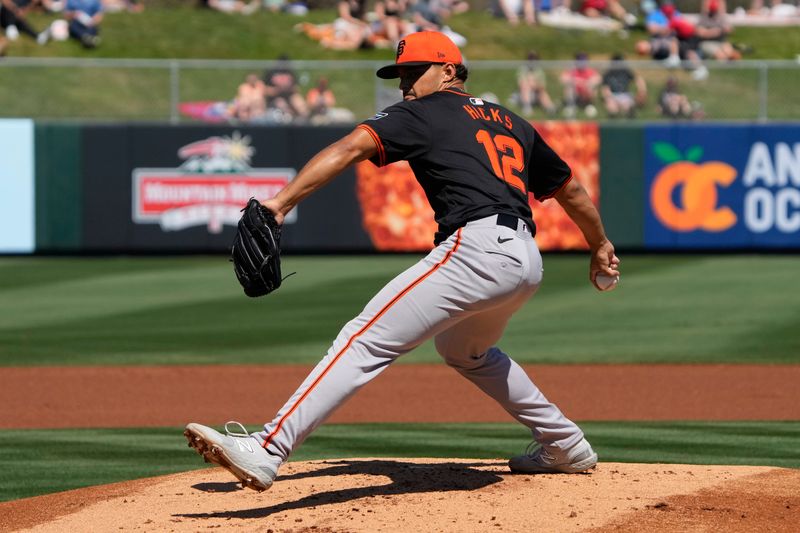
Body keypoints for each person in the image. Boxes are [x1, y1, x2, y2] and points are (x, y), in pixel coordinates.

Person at [185, 31, 620, 491]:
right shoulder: (511, 120)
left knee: (363, 340)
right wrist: (600, 244)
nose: (405, 85)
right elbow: (568, 189)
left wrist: (280, 204)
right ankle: (564, 442)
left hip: (476, 249)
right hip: (525, 259)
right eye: (400, 76)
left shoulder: (423, 112)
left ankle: (267, 448)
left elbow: (350, 148)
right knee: (464, 351)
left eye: (414, 72)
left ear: (449, 71)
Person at [262, 55, 308, 122]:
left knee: (299, 102)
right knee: (281, 103)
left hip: (289, 96)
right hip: (274, 98)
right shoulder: (271, 72)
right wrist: (277, 90)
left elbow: (297, 88)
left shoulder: (290, 72)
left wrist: (287, 89)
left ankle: (305, 122)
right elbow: (264, 89)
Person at [600, 53, 646, 118]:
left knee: (628, 107)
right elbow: (605, 88)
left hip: (625, 95)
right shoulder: (608, 73)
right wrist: (608, 98)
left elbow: (638, 80)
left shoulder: (626, 72)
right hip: (613, 95)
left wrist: (642, 91)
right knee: (612, 109)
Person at [514, 51, 556, 117]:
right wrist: (530, 82)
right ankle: (527, 107)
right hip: (524, 94)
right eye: (531, 59)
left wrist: (535, 85)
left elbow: (543, 86)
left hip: (536, 93)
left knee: (543, 92)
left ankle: (550, 108)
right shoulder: (523, 69)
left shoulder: (539, 71)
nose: (532, 61)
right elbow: (520, 84)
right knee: (525, 87)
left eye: (534, 59)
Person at [559, 52, 601, 118]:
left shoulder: (590, 71)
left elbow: (598, 79)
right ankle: (570, 106)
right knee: (569, 87)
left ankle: (589, 105)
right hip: (575, 93)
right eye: (580, 61)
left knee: (592, 87)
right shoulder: (572, 70)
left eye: (584, 61)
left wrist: (587, 83)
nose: (582, 63)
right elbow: (562, 78)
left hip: (585, 93)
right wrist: (575, 81)